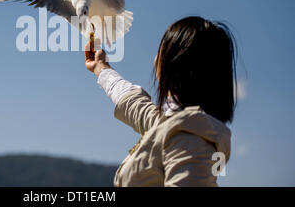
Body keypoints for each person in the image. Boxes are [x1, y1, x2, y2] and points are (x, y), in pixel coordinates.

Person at [85, 16, 237, 187]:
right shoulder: (177, 125)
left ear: (174, 61)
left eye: (162, 48)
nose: (156, 57)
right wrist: (101, 67)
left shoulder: (189, 135)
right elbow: (136, 105)